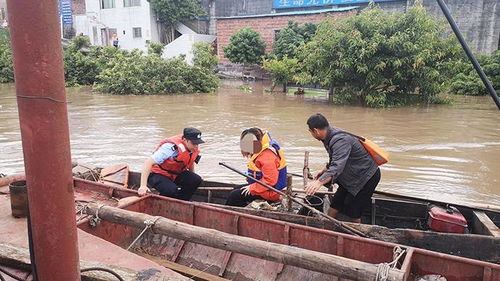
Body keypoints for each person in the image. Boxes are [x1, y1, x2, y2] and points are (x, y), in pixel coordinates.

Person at [304, 113, 380, 223]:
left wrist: (318, 182)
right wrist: (324, 171)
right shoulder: (328, 136)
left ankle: (354, 236)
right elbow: (336, 159)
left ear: (316, 131)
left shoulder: (340, 140)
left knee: (354, 212)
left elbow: (337, 167)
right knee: (336, 203)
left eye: (310, 131)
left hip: (366, 177)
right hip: (350, 176)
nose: (311, 134)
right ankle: (328, 226)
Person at [226, 128, 287, 207]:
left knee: (234, 195)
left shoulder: (267, 157)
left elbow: (270, 181)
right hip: (266, 189)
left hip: (272, 192)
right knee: (236, 188)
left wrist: (252, 188)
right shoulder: (259, 153)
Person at [138, 127, 204, 201]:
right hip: (158, 174)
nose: (196, 146)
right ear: (185, 140)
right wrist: (143, 186)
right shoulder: (170, 148)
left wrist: (192, 175)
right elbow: (148, 163)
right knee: (171, 190)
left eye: (198, 143)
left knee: (196, 179)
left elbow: (190, 160)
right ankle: (164, 202)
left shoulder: (192, 148)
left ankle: (182, 201)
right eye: (194, 143)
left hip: (174, 173)